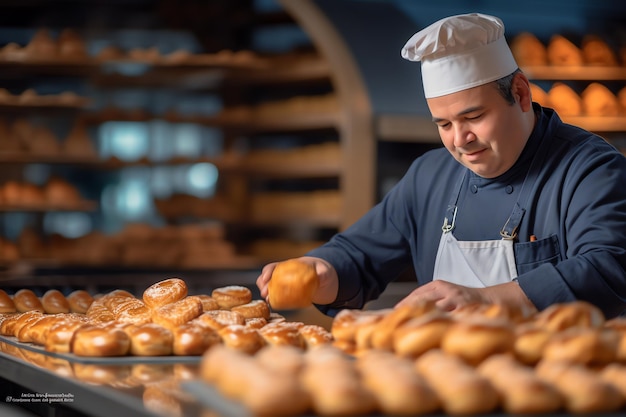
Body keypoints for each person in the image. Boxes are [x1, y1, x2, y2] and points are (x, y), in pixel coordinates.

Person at [257, 13, 626, 319]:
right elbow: (359, 255)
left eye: (474, 117)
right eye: (444, 125)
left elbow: (609, 268)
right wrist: (322, 271)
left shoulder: (591, 171)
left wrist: (490, 300)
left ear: (521, 94)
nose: (460, 139)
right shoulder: (430, 175)